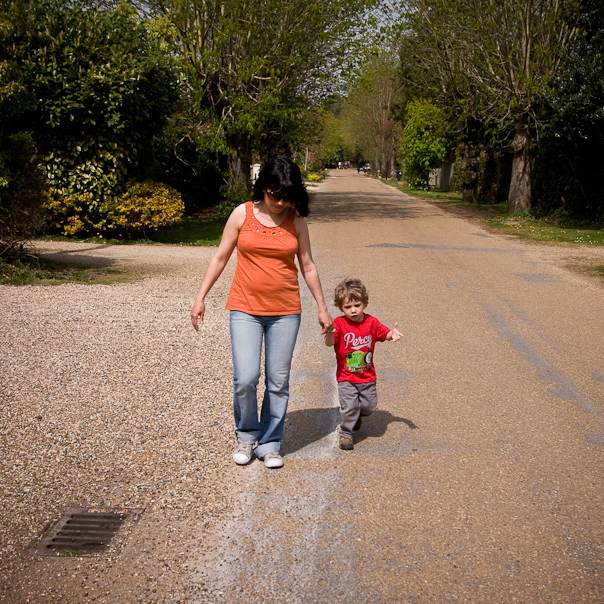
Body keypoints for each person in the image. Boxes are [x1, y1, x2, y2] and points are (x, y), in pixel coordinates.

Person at [191, 157, 332, 469]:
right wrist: (201, 297)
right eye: (274, 194)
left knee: (278, 381)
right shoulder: (241, 214)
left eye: (286, 195)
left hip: (285, 312)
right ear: (263, 188)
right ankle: (246, 435)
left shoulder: (296, 221)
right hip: (244, 309)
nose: (280, 201)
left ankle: (269, 443)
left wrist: (322, 308)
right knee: (246, 377)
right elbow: (220, 257)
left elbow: (308, 266)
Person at [324, 278, 403, 450]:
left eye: (357, 305)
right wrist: (330, 333)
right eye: (347, 307)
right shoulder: (339, 324)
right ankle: (346, 433)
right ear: (340, 308)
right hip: (346, 377)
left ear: (365, 304)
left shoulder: (371, 322)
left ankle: (357, 416)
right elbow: (329, 343)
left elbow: (384, 334)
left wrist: (392, 334)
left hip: (367, 376)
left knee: (368, 407)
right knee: (349, 407)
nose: (353, 310)